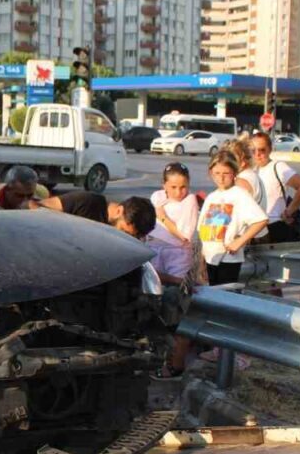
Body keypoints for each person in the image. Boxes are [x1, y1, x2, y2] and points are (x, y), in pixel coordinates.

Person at [148, 162, 198, 378]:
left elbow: (184, 235)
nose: (179, 192)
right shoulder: (157, 197)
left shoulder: (190, 202)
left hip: (178, 254)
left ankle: (175, 363)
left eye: (183, 186)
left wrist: (163, 217)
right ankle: (156, 358)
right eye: (174, 187)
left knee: (177, 307)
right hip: (155, 250)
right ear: (165, 185)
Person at [197, 151, 268, 286]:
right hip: (210, 257)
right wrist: (201, 259)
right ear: (211, 173)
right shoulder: (212, 197)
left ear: (234, 173)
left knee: (225, 297)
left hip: (228, 259)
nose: (221, 178)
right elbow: (203, 231)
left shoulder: (240, 194)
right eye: (217, 173)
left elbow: (261, 220)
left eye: (226, 174)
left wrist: (240, 241)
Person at [248, 131, 300, 243]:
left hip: (274, 227)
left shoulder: (277, 167)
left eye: (262, 150)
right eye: (253, 150)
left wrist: (289, 211)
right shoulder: (249, 171)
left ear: (270, 149)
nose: (257, 154)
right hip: (253, 229)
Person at [37, 191, 156, 238]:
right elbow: (33, 206)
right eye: (124, 232)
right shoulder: (87, 202)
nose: (125, 238)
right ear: (119, 211)